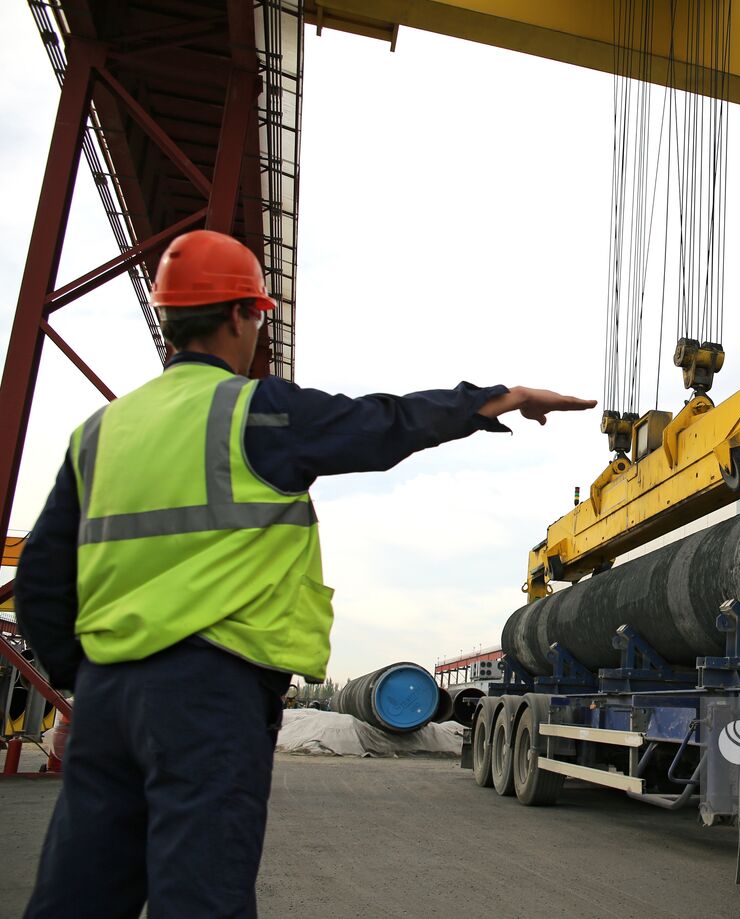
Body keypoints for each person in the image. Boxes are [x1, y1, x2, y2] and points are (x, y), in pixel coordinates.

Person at [15, 229, 593, 917]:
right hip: (209, 693)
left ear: (168, 318)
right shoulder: (253, 412)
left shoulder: (101, 431)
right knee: (200, 896)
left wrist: (86, 673)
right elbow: (382, 423)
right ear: (240, 315)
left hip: (109, 694)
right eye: (258, 316)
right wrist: (488, 400)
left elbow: (42, 582)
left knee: (76, 896)